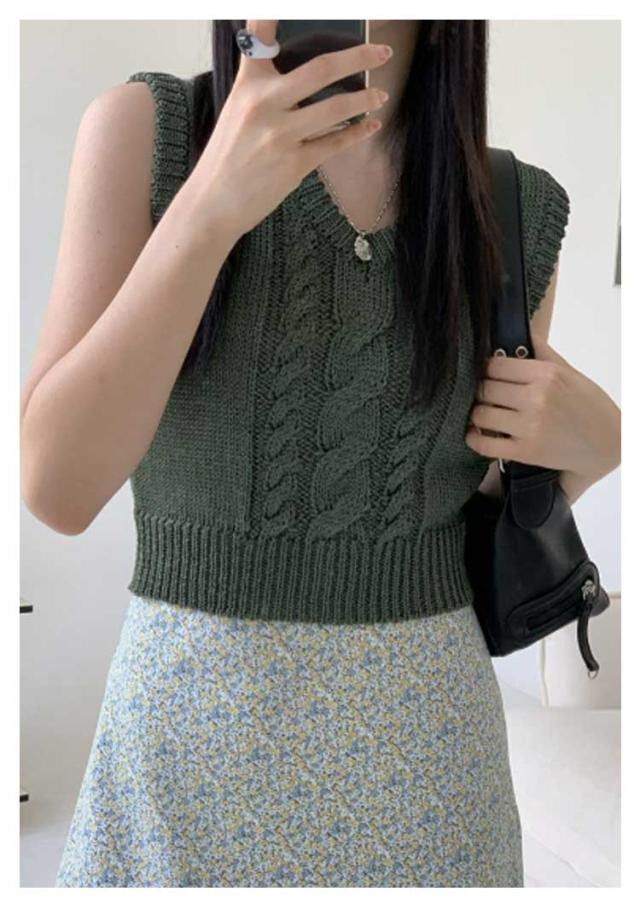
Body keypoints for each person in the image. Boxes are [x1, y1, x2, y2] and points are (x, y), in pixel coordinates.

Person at [21, 19, 620, 888]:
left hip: (430, 782)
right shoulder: (149, 133)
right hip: (181, 773)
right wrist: (211, 204)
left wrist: (596, 449)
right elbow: (57, 488)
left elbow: (477, 515)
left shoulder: (509, 206)